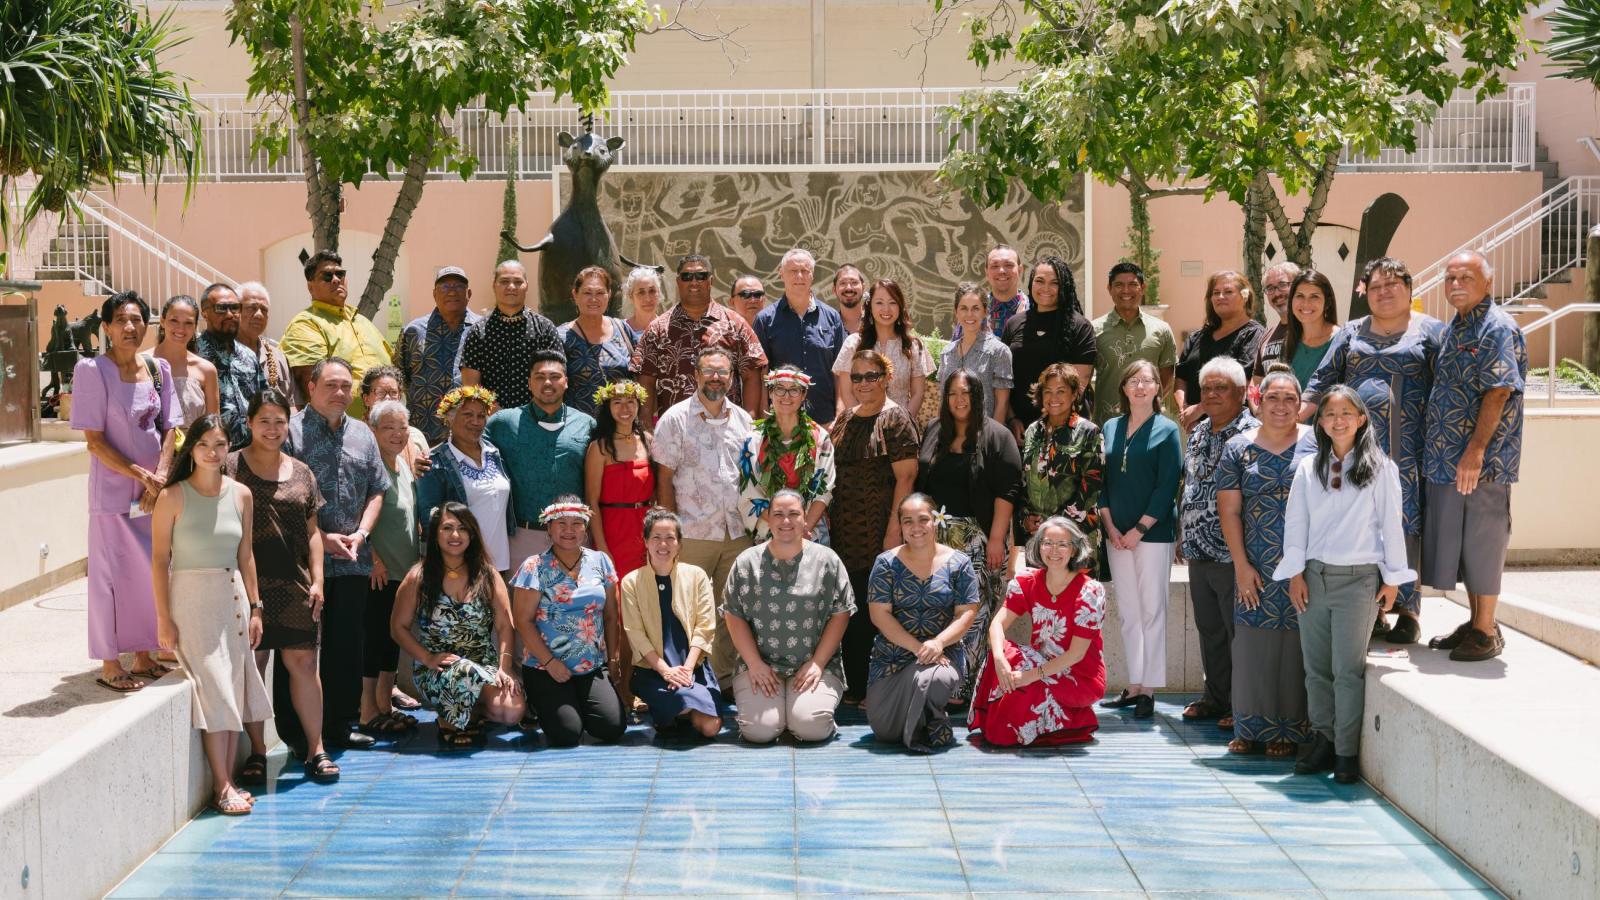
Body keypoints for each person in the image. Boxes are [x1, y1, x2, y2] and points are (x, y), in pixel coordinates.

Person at [1276, 387, 1414, 784]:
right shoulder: (1308, 468)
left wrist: (1393, 578)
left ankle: (1345, 752)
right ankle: (1321, 739)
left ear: (1362, 419)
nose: (1338, 420)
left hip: (1358, 581)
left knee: (1346, 671)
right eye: (1329, 413)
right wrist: (1296, 574)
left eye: (1346, 413)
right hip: (1314, 578)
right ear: (1319, 422)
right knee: (1316, 668)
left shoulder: (1380, 467)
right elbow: (1296, 523)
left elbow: (1391, 523)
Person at [1304, 257, 1445, 644]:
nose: (1384, 292)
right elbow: (1322, 381)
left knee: (1403, 525)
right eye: (1376, 287)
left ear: (1409, 288)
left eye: (1392, 284)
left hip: (1410, 453)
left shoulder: (1431, 332)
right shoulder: (1350, 333)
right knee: (1360, 525)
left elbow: (1450, 390)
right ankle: (1372, 609)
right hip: (1353, 450)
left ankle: (1408, 610)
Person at [150, 415, 272, 816]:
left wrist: (256, 607)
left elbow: (246, 555)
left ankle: (227, 781)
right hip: (191, 600)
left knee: (232, 688)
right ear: (192, 449)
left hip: (232, 600)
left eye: (220, 445)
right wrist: (163, 618)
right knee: (217, 688)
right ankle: (222, 786)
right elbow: (157, 561)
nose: (212, 452)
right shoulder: (172, 496)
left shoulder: (241, 495)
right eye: (204, 444)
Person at [72, 291, 182, 693]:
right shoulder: (92, 371)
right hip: (113, 493)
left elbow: (170, 427)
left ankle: (144, 654)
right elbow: (94, 441)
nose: (129, 327)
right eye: (120, 319)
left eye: (137, 319)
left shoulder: (159, 369)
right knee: (109, 577)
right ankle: (108, 661)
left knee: (149, 571)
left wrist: (162, 474)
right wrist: (140, 474)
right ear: (106, 327)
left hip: (154, 494)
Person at [227, 390, 338, 786]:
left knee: (305, 664)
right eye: (264, 422)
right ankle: (258, 751)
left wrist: (319, 580)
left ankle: (316, 749)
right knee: (254, 668)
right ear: (249, 424)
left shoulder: (303, 472)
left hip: (295, 585)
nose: (272, 430)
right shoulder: (229, 467)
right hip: (247, 586)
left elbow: (313, 534)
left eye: (279, 421)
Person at [1421, 251, 1527, 662]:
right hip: (1448, 458)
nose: (1456, 283)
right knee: (1462, 545)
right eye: (1450, 277)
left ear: (1488, 283)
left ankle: (1486, 629)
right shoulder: (1458, 325)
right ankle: (1477, 622)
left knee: (1482, 541)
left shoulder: (1496, 327)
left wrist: (1476, 451)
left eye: (1467, 276)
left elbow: (1498, 390)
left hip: (1481, 462)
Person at [284, 356, 390, 751]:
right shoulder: (291, 432)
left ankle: (341, 727)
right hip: (303, 564)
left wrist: (362, 532)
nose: (340, 393)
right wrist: (322, 537)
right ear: (311, 387)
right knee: (301, 650)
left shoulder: (363, 433)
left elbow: (378, 488)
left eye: (346, 385)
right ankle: (297, 733)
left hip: (352, 561)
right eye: (331, 385)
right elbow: (284, 494)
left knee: (346, 646)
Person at [1217, 364, 1313, 757]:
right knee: (1252, 644)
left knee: (1294, 645)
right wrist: (1241, 566)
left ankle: (1287, 730)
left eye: (1290, 398)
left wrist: (1302, 568)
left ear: (1300, 404)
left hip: (1303, 562)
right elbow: (1229, 512)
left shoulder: (1316, 444)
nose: (1281, 405)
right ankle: (1249, 726)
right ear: (1258, 401)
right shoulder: (1237, 447)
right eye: (1272, 397)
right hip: (1254, 559)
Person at [915, 370, 1024, 702]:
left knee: (972, 615)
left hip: (979, 540)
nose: (958, 400)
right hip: (937, 540)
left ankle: (962, 688)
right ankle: (938, 677)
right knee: (940, 611)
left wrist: (996, 539)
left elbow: (1008, 491)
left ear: (978, 397)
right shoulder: (935, 431)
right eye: (952, 394)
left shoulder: (997, 436)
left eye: (965, 394)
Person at [653, 346, 756, 682]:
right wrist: (669, 533)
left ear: (732, 378)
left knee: (731, 610)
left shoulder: (743, 420)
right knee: (689, 610)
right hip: (693, 531)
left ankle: (723, 678)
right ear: (696, 375)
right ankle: (687, 677)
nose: (716, 378)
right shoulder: (675, 419)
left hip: (736, 533)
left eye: (723, 372)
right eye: (709, 371)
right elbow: (664, 477)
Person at [721, 490, 855, 743]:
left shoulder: (827, 560)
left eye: (794, 514)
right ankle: (782, 712)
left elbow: (841, 613)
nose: (786, 521)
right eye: (778, 515)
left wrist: (817, 662)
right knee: (759, 731)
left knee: (810, 727)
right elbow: (733, 615)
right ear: (767, 519)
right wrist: (755, 664)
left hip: (814, 665)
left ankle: (796, 712)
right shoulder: (746, 562)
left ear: (805, 519)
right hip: (759, 665)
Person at [828, 349, 920, 704]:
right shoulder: (845, 419)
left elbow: (907, 477)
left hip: (879, 529)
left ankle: (878, 688)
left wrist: (893, 531)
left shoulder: (895, 419)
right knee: (850, 606)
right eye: (856, 377)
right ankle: (853, 685)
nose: (863, 384)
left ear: (885, 379)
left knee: (877, 608)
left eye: (870, 376)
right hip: (844, 533)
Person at [391, 503, 524, 747]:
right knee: (463, 670)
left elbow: (506, 625)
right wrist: (427, 657)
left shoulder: (487, 574)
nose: (455, 535)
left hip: (482, 665)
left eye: (463, 528)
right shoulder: (419, 577)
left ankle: (471, 712)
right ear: (435, 534)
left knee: (511, 710)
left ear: (472, 534)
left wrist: (505, 668)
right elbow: (397, 627)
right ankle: (447, 719)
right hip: (438, 668)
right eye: (447, 528)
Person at [969, 517, 1107, 746]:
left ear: (1074, 550)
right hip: (1039, 664)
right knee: (1003, 650)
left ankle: (1074, 719)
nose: (1054, 550)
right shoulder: (1027, 581)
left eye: (1063, 544)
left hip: (1078, 676)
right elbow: (996, 625)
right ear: (1038, 546)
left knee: (1007, 725)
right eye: (1047, 543)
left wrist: (1027, 677)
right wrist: (999, 659)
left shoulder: (1089, 591)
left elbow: (1076, 655)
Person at [1097, 359, 1182, 719]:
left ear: (1157, 389)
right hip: (1116, 535)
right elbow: (1100, 480)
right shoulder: (1111, 427)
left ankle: (1149, 688)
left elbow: (1168, 486)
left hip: (1152, 534)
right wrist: (1111, 528)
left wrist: (1139, 530)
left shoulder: (1167, 430)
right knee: (1129, 613)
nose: (1141, 387)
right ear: (1124, 387)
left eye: (1148, 381)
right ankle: (1133, 684)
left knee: (1153, 610)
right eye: (1134, 380)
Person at [1177, 357, 1259, 726]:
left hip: (1232, 553)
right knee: (1210, 629)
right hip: (1198, 550)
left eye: (1220, 388)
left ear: (1241, 393)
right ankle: (1216, 697)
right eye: (1206, 388)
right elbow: (1190, 484)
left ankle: (1239, 704)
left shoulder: (1253, 434)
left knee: (1237, 631)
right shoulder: (1198, 431)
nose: (1210, 394)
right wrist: (1184, 530)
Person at [865, 493, 980, 752]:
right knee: (885, 731)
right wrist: (919, 648)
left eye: (923, 519)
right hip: (892, 658)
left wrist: (938, 643)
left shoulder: (958, 563)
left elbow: (967, 612)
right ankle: (931, 720)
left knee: (931, 679)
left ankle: (929, 722)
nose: (916, 528)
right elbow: (879, 615)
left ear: (936, 521)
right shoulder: (885, 564)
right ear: (900, 526)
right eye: (908, 521)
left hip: (943, 654)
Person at [510, 497, 627, 747]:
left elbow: (610, 615)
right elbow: (522, 621)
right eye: (561, 523)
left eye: (576, 523)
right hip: (547, 668)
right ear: (549, 528)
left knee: (612, 728)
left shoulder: (601, 561)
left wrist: (613, 659)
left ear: (585, 529)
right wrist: (550, 662)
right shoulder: (534, 566)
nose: (569, 530)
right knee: (567, 734)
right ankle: (540, 699)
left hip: (591, 665)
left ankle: (577, 700)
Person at [619, 509, 723, 740]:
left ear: (679, 543)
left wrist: (686, 669)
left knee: (710, 726)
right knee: (680, 702)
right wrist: (666, 671)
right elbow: (634, 633)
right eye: (656, 537)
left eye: (670, 538)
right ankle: (672, 707)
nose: (663, 544)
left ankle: (674, 710)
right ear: (645, 541)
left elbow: (706, 626)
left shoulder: (697, 576)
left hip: (692, 667)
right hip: (653, 669)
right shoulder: (631, 582)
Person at [486, 351, 595, 566]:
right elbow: (465, 446)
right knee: (521, 600)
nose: (547, 382)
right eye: (539, 376)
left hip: (573, 537)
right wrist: (429, 457)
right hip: (523, 537)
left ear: (566, 382)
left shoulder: (587, 424)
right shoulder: (504, 423)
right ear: (528, 382)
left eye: (555, 377)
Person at [634, 254, 768, 422]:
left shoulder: (735, 325)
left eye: (701, 276)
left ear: (710, 281)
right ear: (678, 281)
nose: (694, 282)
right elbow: (645, 379)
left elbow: (752, 375)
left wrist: (748, 422)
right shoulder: (658, 328)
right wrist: (646, 427)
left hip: (725, 430)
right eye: (687, 276)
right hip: (676, 432)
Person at [359, 399, 422, 739]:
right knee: (374, 640)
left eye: (402, 428)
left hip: (404, 572)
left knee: (391, 640)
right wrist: (372, 558)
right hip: (379, 572)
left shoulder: (403, 464)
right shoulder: (369, 468)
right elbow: (355, 517)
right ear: (372, 430)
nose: (397, 434)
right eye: (388, 428)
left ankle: (384, 704)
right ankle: (368, 710)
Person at [281, 250, 393, 421]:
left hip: (388, 426)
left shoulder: (363, 322)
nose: (336, 279)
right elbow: (313, 385)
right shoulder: (306, 323)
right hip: (341, 431)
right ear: (310, 287)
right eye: (326, 276)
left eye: (340, 274)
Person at [417, 386, 514, 573]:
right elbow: (430, 520)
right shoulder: (433, 463)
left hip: (500, 563)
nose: (475, 421)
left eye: (480, 415)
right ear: (449, 419)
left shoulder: (495, 453)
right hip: (461, 566)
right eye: (467, 414)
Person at [737, 366, 837, 542]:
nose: (786, 396)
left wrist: (803, 528)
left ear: (804, 394)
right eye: (779, 389)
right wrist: (784, 527)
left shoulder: (820, 438)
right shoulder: (752, 440)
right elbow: (749, 492)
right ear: (770, 393)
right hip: (769, 532)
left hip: (810, 532)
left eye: (794, 390)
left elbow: (825, 488)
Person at [1002, 256, 1097, 440]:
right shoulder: (1013, 324)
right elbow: (1003, 380)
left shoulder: (1080, 327)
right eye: (1039, 281)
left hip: (1065, 432)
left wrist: (1046, 426)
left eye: (1054, 283)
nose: (1046, 288)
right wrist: (1011, 418)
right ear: (1031, 284)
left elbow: (1079, 385)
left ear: (1064, 287)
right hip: (1018, 431)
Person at [1016, 364, 1103, 554]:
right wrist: (1025, 518)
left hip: (1075, 537)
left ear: (1074, 395)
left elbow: (1092, 486)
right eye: (1048, 391)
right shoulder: (1032, 431)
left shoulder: (1089, 432)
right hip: (1038, 538)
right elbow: (1024, 481)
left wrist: (1055, 526)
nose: (1053, 398)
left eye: (1061, 391)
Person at [458, 259, 565, 411]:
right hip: (492, 421)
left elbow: (557, 375)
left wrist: (534, 413)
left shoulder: (545, 328)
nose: (511, 287)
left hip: (539, 417)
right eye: (504, 281)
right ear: (494, 285)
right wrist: (497, 413)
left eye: (518, 281)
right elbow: (470, 385)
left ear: (526, 285)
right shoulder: (478, 331)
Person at [755, 249, 847, 423]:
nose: (799, 276)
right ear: (781, 274)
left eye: (805, 271)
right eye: (793, 271)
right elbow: (761, 373)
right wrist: (764, 413)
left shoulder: (832, 317)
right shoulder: (765, 320)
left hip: (825, 418)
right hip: (781, 421)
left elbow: (840, 370)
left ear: (812, 275)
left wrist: (839, 409)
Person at [395, 266, 481, 446]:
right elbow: (399, 380)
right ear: (434, 294)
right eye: (445, 287)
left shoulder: (483, 330)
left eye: (458, 286)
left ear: (469, 293)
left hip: (471, 434)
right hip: (423, 436)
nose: (451, 292)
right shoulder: (413, 331)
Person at [1175, 271, 1266, 431]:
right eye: (1216, 293)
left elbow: (1242, 381)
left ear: (1245, 296)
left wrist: (1199, 409)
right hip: (1195, 431)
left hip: (1235, 431)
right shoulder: (1197, 336)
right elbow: (1181, 378)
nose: (1220, 297)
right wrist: (1186, 414)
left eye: (1228, 291)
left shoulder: (1254, 335)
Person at [832, 279, 933, 420]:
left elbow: (918, 393)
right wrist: (862, 423)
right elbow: (846, 392)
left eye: (892, 302)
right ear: (870, 306)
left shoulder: (913, 346)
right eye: (879, 302)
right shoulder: (853, 343)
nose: (886, 309)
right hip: (861, 428)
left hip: (901, 428)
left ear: (900, 306)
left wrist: (903, 424)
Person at [584, 380, 657, 576]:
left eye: (630, 402)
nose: (625, 408)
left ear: (639, 405)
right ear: (608, 407)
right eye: (617, 402)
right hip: (613, 529)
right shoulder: (599, 448)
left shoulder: (648, 441)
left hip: (645, 527)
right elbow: (592, 501)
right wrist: (602, 547)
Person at [1091, 262, 1177, 424]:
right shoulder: (1093, 330)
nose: (1126, 290)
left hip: (1149, 424)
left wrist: (1149, 405)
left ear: (1142, 288)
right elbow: (1085, 377)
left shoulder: (1161, 329)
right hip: (1106, 423)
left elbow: (1167, 377)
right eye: (1119, 285)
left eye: (1132, 284)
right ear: (1109, 289)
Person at [560, 266, 638, 417]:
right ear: (575, 295)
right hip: (578, 429)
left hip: (620, 428)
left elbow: (640, 379)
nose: (594, 299)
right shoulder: (561, 337)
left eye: (600, 293)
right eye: (587, 293)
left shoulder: (623, 330)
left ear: (609, 294)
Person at [197, 283, 265, 449]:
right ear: (204, 313)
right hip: (211, 454)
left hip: (250, 454)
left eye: (235, 308)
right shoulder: (193, 355)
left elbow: (262, 400)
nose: (230, 314)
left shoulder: (248, 355)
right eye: (221, 308)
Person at [936, 282, 1013, 426]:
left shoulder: (999, 351)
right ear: (956, 311)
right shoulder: (946, 353)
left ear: (985, 311)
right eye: (964, 308)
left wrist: (992, 442)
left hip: (982, 437)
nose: (969, 314)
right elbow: (942, 401)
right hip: (949, 436)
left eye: (975, 308)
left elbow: (1002, 404)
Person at [153, 294, 218, 432]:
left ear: (195, 327)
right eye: (174, 320)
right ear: (162, 321)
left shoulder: (206, 370)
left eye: (188, 323)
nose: (181, 328)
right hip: (151, 451)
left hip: (195, 452)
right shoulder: (143, 362)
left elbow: (213, 426)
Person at [1276, 270, 1339, 394]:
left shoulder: (1340, 340)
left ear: (1327, 303)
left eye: (1314, 296)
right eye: (1300, 296)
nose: (1306, 304)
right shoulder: (1289, 340)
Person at [237, 282, 296, 408]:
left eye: (264, 310)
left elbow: (291, 405)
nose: (259, 315)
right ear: (237, 311)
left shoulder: (278, 357)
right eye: (252, 308)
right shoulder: (221, 354)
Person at [1250, 262, 1303, 383]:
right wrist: (1256, 402)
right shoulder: (1266, 337)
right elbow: (1256, 383)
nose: (1277, 293)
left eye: (1283, 285)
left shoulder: (1310, 329)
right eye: (1270, 288)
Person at [981, 245, 1028, 336]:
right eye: (995, 266)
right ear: (986, 272)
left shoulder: (1034, 308)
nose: (1001, 271)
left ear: (1020, 270)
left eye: (1009, 265)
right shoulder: (974, 311)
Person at [620, 265, 669, 342]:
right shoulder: (621, 331)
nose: (648, 299)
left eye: (652, 291)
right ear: (631, 296)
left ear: (658, 293)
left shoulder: (669, 329)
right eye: (641, 292)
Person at [831, 264, 867, 336]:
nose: (849, 288)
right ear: (834, 290)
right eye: (843, 283)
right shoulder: (829, 326)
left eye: (854, 282)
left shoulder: (875, 322)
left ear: (863, 287)